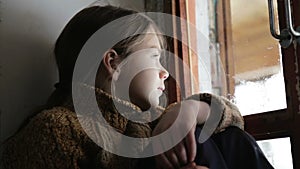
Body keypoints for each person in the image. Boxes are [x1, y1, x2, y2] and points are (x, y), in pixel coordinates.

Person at [1, 5, 271, 169]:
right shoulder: (57, 129)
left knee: (221, 137)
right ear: (112, 62)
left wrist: (187, 111)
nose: (165, 72)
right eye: (154, 57)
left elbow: (233, 118)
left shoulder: (158, 121)